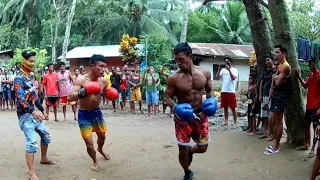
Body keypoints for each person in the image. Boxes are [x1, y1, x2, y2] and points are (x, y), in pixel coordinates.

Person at [165, 43, 217, 180]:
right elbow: (167, 97)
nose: (178, 63)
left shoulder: (204, 73)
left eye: (181, 59)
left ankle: (191, 151)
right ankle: (187, 172)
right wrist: (175, 107)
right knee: (182, 148)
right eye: (176, 59)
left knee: (203, 147)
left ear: (190, 57)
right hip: (182, 118)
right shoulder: (174, 78)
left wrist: (211, 100)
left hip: (201, 116)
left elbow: (210, 89)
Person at [68, 54, 113, 172]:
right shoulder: (81, 80)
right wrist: (83, 92)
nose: (104, 69)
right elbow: (69, 97)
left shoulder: (103, 81)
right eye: (101, 66)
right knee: (89, 143)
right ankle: (94, 161)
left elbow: (109, 93)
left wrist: (112, 94)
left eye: (105, 67)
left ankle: (100, 149)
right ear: (93, 66)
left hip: (97, 113)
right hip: (84, 114)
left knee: (102, 136)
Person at [15, 50, 55, 180]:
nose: (32, 63)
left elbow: (34, 96)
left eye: (33, 61)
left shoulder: (31, 76)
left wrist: (42, 110)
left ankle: (43, 158)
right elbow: (20, 98)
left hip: (34, 113)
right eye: (30, 61)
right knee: (32, 142)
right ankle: (31, 173)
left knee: (46, 136)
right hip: (25, 115)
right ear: (24, 61)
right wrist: (33, 111)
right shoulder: (19, 78)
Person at [264, 45, 291, 155]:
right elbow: (274, 82)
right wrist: (276, 78)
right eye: (275, 52)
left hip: (281, 96)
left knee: (278, 120)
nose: (276, 55)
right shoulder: (279, 66)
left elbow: (278, 82)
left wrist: (276, 77)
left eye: (278, 52)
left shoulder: (286, 66)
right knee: (273, 120)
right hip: (275, 95)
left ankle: (276, 145)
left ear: (284, 53)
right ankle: (276, 143)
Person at [296, 58, 320, 158]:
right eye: (310, 65)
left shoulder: (319, 75)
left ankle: (313, 149)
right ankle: (306, 144)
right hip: (309, 106)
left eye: (312, 64)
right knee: (306, 125)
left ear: (316, 64)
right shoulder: (311, 74)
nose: (311, 67)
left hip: (316, 107)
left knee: (316, 129)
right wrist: (299, 77)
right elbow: (305, 86)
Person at [216, 57, 239, 128]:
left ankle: (235, 122)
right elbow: (217, 77)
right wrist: (219, 69)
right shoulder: (222, 70)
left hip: (231, 91)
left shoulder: (234, 70)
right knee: (225, 107)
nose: (227, 63)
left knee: (233, 107)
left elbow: (233, 78)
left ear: (231, 62)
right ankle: (226, 121)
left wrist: (229, 70)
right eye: (225, 62)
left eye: (228, 61)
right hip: (224, 91)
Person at [259, 56, 276, 139]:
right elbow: (261, 83)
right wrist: (260, 95)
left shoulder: (276, 70)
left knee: (272, 116)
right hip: (265, 94)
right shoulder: (264, 71)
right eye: (266, 60)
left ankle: (272, 133)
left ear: (272, 60)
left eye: (268, 60)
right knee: (264, 115)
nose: (267, 62)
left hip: (273, 96)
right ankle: (265, 132)